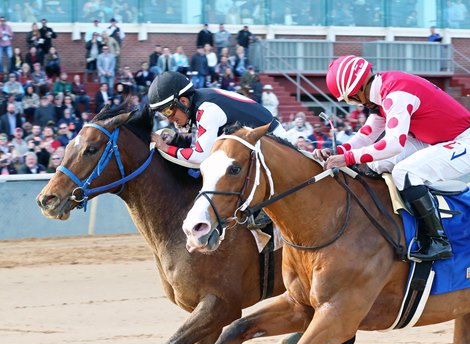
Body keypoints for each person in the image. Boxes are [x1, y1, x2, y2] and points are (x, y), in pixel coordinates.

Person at [316, 54, 470, 262]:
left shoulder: (395, 95)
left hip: (462, 140)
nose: (353, 104)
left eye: (350, 99)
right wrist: (339, 152)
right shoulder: (381, 91)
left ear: (358, 91)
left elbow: (393, 144)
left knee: (405, 172)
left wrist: (349, 158)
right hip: (435, 139)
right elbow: (366, 136)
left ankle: (438, 240)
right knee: (376, 162)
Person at [148, 71, 287, 166]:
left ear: (183, 102)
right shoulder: (200, 100)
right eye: (163, 114)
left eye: (168, 111)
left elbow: (200, 157)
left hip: (274, 145)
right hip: (263, 141)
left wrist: (165, 147)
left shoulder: (206, 110)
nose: (169, 119)